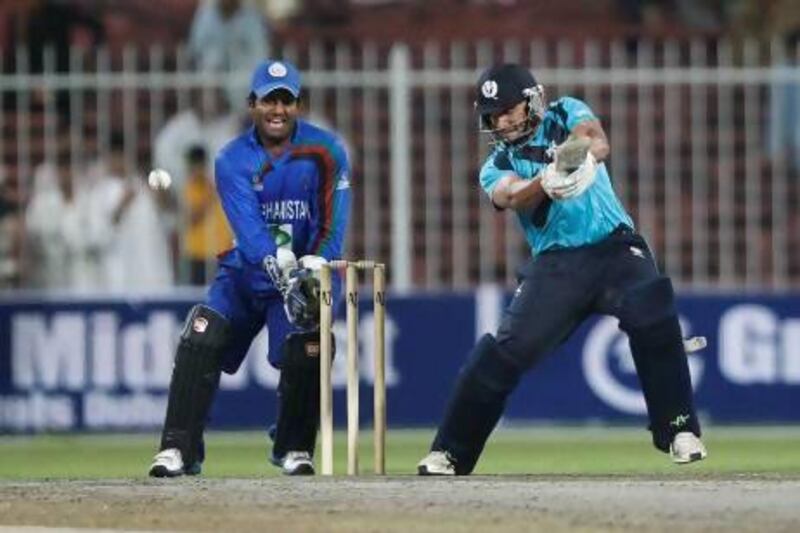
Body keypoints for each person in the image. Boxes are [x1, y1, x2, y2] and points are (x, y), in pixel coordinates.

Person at [417, 64, 707, 476]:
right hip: (556, 265)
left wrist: (567, 162)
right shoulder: (495, 163)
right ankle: (449, 451)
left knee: (652, 309)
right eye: (494, 114)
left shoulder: (565, 111)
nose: (502, 120)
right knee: (505, 351)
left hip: (616, 248)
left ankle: (679, 429)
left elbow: (596, 140)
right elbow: (511, 195)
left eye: (509, 109)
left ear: (532, 100)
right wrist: (545, 183)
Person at [149, 59, 351, 477]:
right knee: (201, 334)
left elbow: (335, 221)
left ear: (298, 105)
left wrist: (317, 264)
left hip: (298, 279)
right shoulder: (231, 158)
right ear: (251, 104)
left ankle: (293, 447)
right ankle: (178, 449)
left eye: (286, 100)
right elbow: (250, 227)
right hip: (244, 275)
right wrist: (280, 263)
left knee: (311, 344)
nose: (277, 110)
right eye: (268, 101)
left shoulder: (327, 151)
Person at [180, 144, 233, 285]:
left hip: (220, 252)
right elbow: (191, 219)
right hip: (197, 253)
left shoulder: (216, 184)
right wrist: (209, 198)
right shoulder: (189, 188)